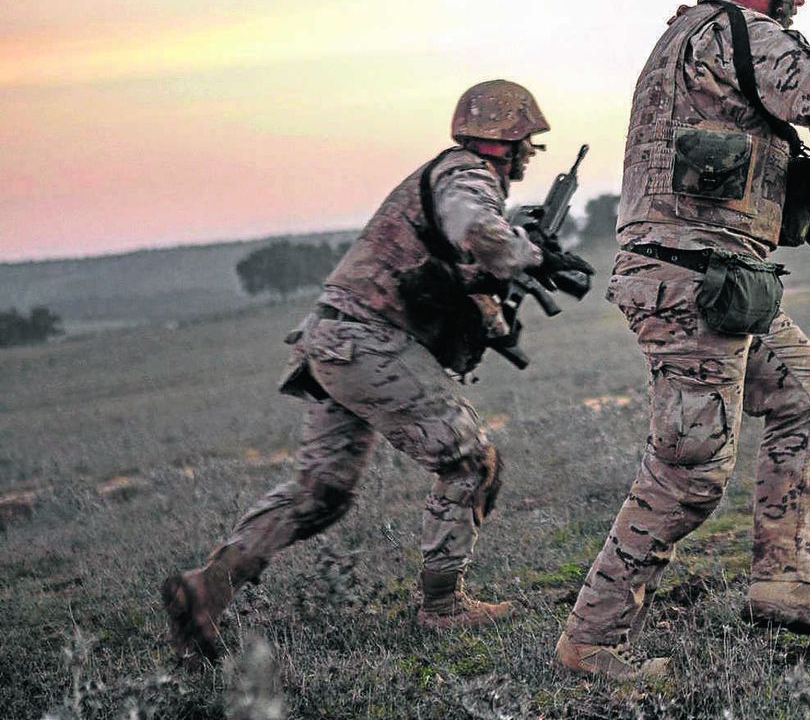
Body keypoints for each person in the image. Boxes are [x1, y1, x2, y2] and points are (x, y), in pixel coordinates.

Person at [160, 80, 591, 664]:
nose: (531, 155)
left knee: (321, 493)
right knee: (470, 462)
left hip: (333, 339)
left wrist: (493, 297)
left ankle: (204, 591)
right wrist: (532, 253)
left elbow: (451, 271)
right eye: (527, 142)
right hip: (367, 341)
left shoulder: (445, 178)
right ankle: (444, 605)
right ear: (507, 141)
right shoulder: (467, 175)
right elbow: (478, 232)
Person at [554, 0, 810, 680]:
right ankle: (591, 641)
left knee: (804, 392)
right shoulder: (744, 34)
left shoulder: (687, 37)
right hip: (694, 280)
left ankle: (785, 580)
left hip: (715, 275)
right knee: (690, 469)